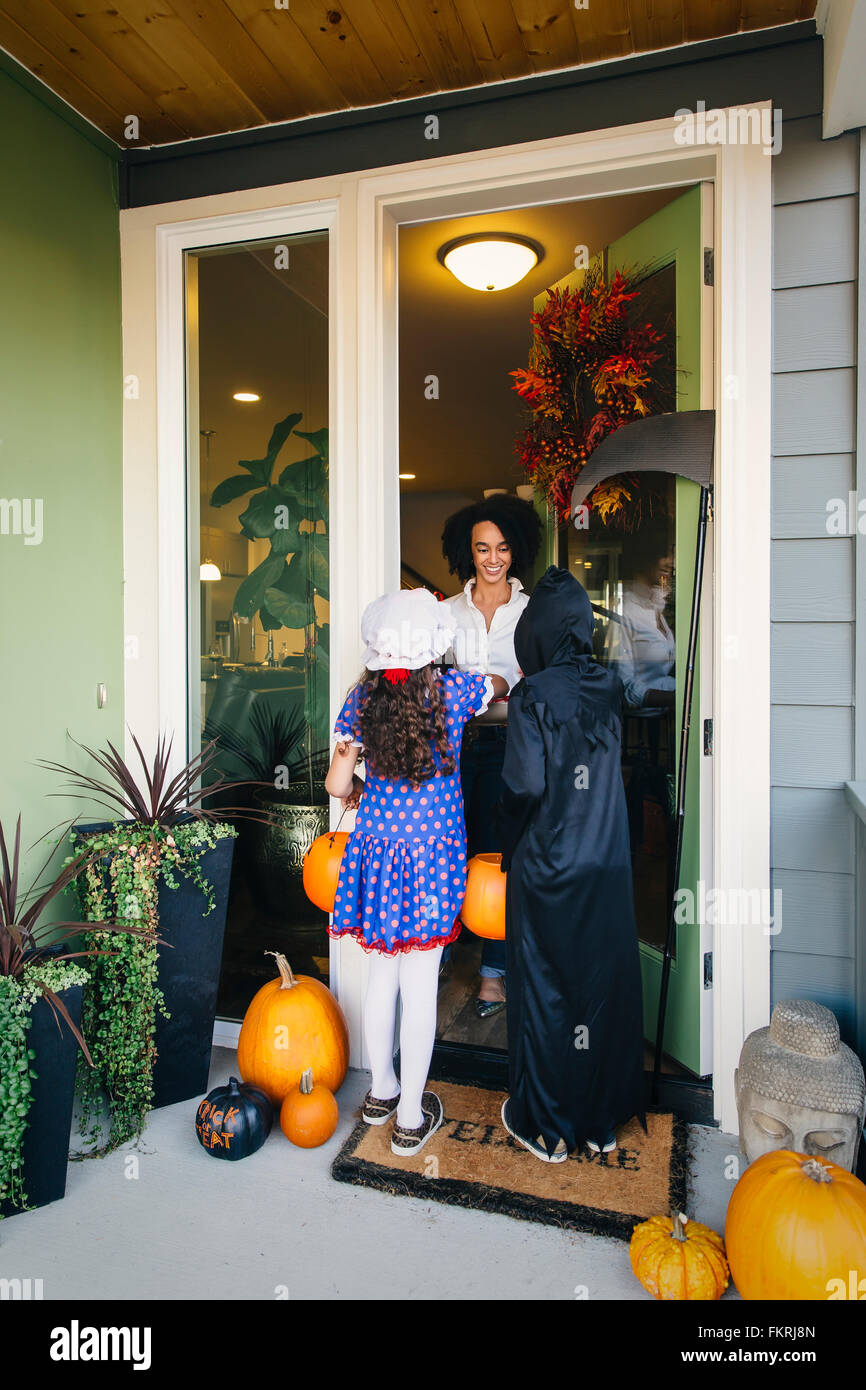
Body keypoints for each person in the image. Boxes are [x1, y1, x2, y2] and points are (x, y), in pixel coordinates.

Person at [324, 587, 493, 1157]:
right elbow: (499, 684)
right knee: (421, 987)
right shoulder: (452, 690)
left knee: (383, 979)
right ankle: (412, 1118)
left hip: (375, 852)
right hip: (433, 857)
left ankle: (380, 1094)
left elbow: (336, 787)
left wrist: (368, 790)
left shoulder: (360, 698)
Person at [497, 566, 647, 1162]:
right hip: (607, 863)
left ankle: (545, 1126)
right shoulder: (608, 687)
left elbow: (524, 786)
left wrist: (503, 838)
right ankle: (597, 1121)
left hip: (549, 865)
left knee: (545, 991)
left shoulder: (530, 695)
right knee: (596, 985)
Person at [440, 493, 542, 1017]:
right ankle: (436, 952)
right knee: (453, 852)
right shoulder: (446, 613)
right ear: (469, 552)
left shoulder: (531, 611)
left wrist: (508, 682)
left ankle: (493, 976)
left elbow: (545, 678)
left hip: (512, 745)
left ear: (515, 550)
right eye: (483, 549)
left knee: (500, 860)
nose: (493, 558)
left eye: (502, 548)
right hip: (458, 746)